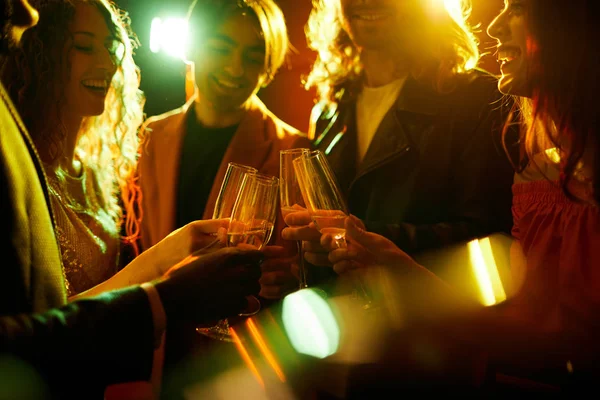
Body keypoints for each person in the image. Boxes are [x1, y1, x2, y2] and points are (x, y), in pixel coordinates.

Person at [316, 0, 600, 393]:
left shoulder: (476, 100)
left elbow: (494, 256)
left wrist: (378, 249)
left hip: (430, 365)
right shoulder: (329, 108)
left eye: (517, 8)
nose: (496, 25)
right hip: (345, 349)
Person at [0, 1, 262, 398]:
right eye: (84, 47)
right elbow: (37, 326)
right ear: (43, 53)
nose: (105, 62)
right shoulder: (17, 168)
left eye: (111, 47)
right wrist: (164, 265)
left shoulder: (101, 173)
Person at [283, 0, 516, 287]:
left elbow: (491, 238)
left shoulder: (480, 99)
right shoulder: (328, 109)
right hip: (345, 322)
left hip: (432, 321)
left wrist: (364, 237)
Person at [138, 0, 311, 300]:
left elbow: (302, 266)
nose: (235, 68)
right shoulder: (153, 135)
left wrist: (287, 281)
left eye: (253, 57)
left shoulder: (290, 148)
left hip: (236, 336)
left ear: (267, 69)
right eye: (221, 49)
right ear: (190, 47)